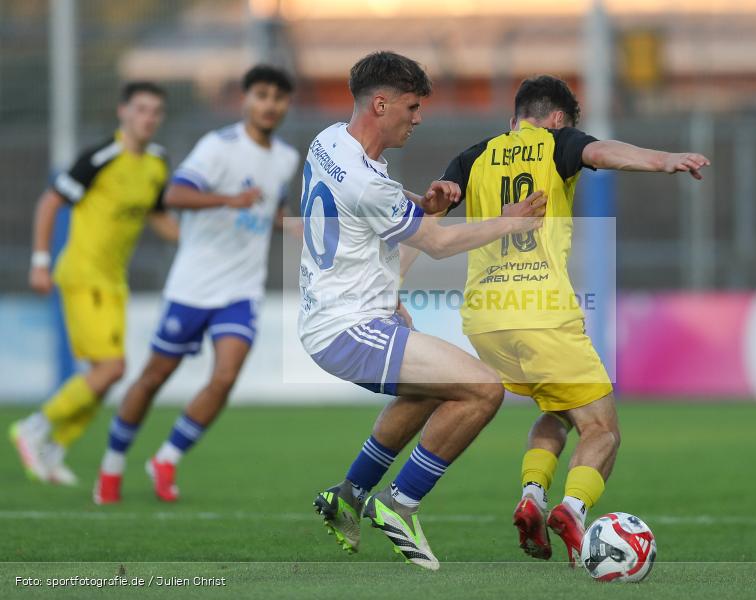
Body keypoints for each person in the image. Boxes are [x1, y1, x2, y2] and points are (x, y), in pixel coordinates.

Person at [439, 75, 711, 565]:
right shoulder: (556, 144)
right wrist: (662, 161)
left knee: (558, 411)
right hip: (539, 311)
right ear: (559, 119)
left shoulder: (474, 155)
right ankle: (572, 508)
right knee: (603, 429)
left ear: (514, 118)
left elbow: (437, 201)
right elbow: (603, 153)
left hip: (484, 318)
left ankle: (533, 498)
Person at [302, 51, 545, 570]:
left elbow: (377, 205)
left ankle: (349, 495)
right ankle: (399, 503)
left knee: (433, 390)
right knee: (482, 389)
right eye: (412, 107)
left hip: (344, 316)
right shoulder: (366, 180)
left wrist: (422, 205)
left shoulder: (329, 142)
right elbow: (433, 244)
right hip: (348, 326)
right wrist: (508, 222)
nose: (418, 117)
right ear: (381, 103)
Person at [92, 65, 299, 505]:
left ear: (286, 105)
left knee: (224, 377)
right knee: (153, 378)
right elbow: (173, 195)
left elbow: (271, 212)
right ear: (246, 99)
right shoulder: (217, 147)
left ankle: (166, 458)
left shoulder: (285, 157)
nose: (269, 105)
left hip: (241, 291)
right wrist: (227, 198)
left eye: (278, 98)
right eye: (261, 95)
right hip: (193, 286)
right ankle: (111, 464)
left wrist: (300, 228)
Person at [10, 82, 177, 486]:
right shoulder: (101, 157)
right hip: (83, 275)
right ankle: (35, 427)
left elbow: (158, 216)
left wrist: (200, 238)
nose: (147, 118)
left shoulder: (156, 163)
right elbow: (49, 202)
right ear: (123, 112)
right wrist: (39, 261)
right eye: (140, 109)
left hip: (113, 282)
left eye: (155, 111)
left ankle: (54, 446)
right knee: (112, 368)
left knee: (107, 374)